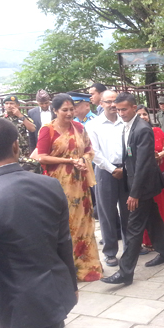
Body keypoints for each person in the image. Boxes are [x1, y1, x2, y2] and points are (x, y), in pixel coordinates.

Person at [0, 118, 78, 328]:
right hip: (53, 296)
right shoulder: (49, 185)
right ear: (16, 146)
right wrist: (71, 285)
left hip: (20, 311)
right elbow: (63, 243)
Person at [101, 93, 164, 285]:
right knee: (153, 219)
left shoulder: (142, 129)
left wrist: (134, 193)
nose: (121, 113)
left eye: (124, 109)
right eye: (118, 110)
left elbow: (143, 163)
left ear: (134, 108)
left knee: (133, 227)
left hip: (142, 185)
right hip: (136, 181)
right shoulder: (127, 126)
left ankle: (125, 272)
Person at [36, 93, 103, 282]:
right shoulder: (47, 130)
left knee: (84, 224)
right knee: (64, 225)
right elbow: (41, 157)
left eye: (71, 109)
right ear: (55, 111)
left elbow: (89, 150)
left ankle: (87, 266)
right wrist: (69, 160)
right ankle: (64, 269)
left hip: (80, 186)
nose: (69, 113)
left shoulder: (80, 128)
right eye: (64, 110)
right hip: (57, 186)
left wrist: (82, 160)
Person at [88, 90, 128, 267]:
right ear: (101, 104)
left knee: (129, 211)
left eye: (115, 101)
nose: (112, 105)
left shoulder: (126, 122)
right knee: (106, 212)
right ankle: (110, 252)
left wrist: (124, 169)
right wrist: (112, 169)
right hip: (105, 171)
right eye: (108, 101)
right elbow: (94, 153)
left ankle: (131, 248)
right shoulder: (93, 125)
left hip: (126, 170)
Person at [136, 106, 164, 252]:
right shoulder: (132, 133)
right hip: (141, 178)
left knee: (160, 208)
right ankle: (146, 240)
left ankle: (163, 237)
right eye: (139, 114)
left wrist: (159, 156)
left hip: (158, 176)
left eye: (145, 114)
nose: (143, 117)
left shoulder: (157, 131)